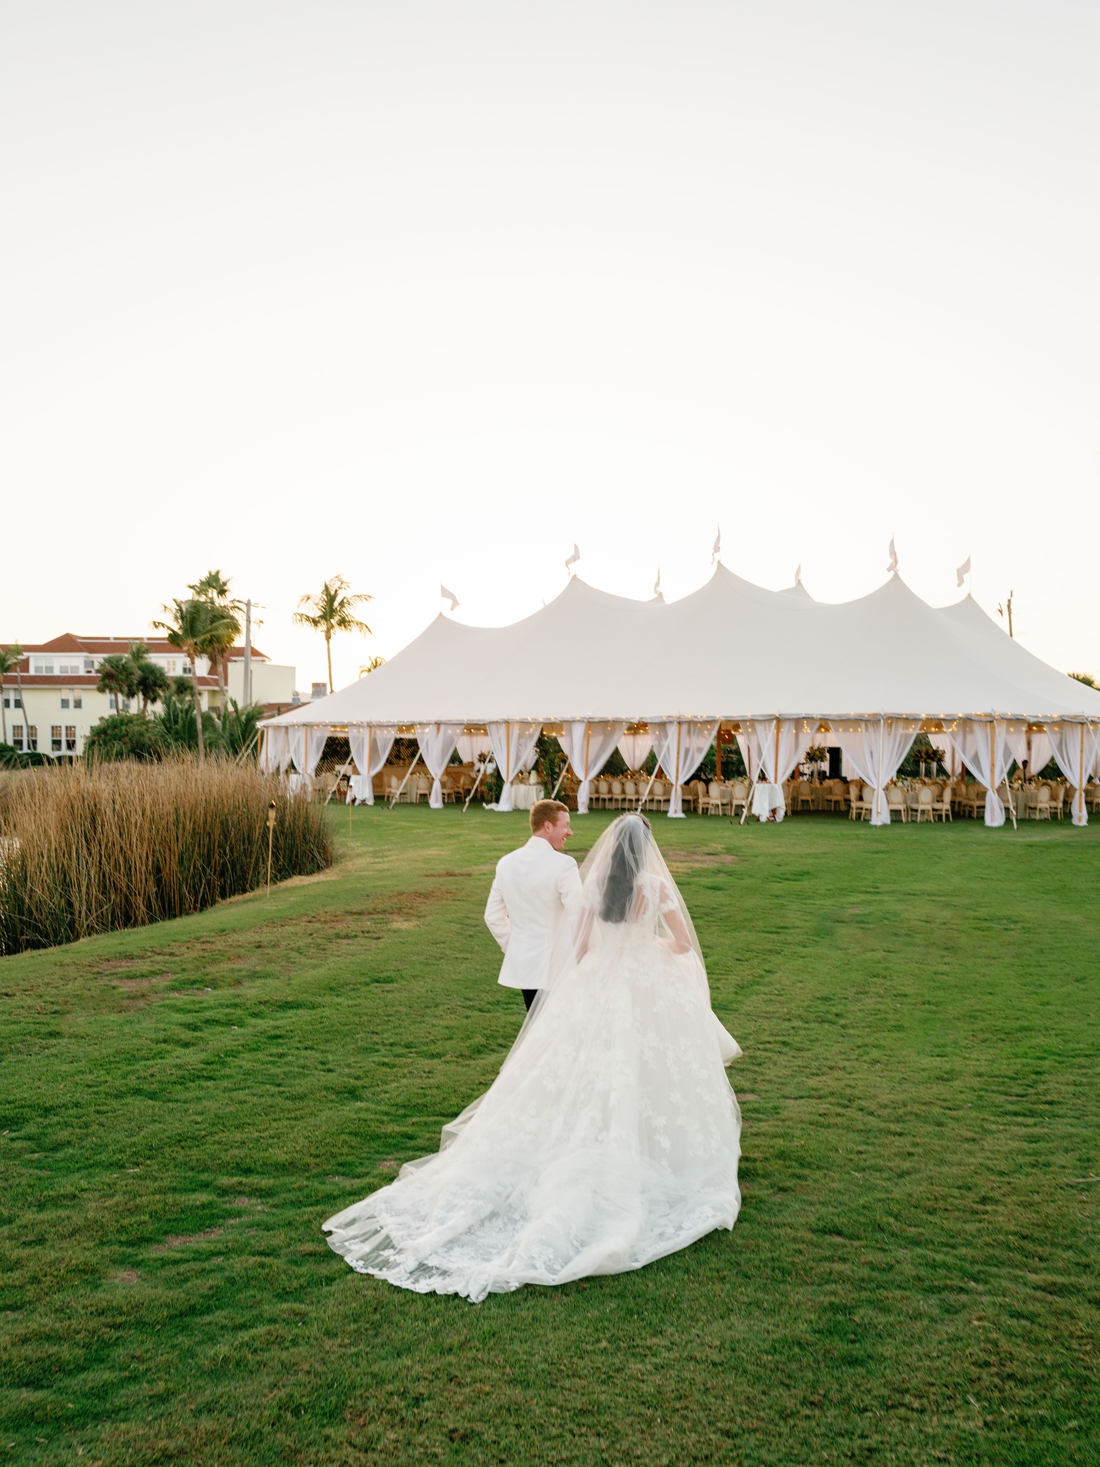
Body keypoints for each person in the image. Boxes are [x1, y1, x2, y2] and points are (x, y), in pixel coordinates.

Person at [323, 813, 742, 1303]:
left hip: (598, 979)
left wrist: (606, 956)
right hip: (643, 978)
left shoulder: (595, 885)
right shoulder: (655, 886)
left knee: (581, 1067)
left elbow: (579, 946)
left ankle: (586, 1139)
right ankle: (649, 1148)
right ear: (646, 847)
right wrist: (651, 947)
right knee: (648, 1066)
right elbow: (684, 943)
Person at [483, 798, 582, 1012]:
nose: (570, 832)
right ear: (548, 826)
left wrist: (516, 947)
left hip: (525, 968)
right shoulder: (564, 865)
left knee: (535, 1026)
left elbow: (492, 917)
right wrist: (590, 957)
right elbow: (579, 915)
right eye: (565, 825)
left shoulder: (506, 863)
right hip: (558, 967)